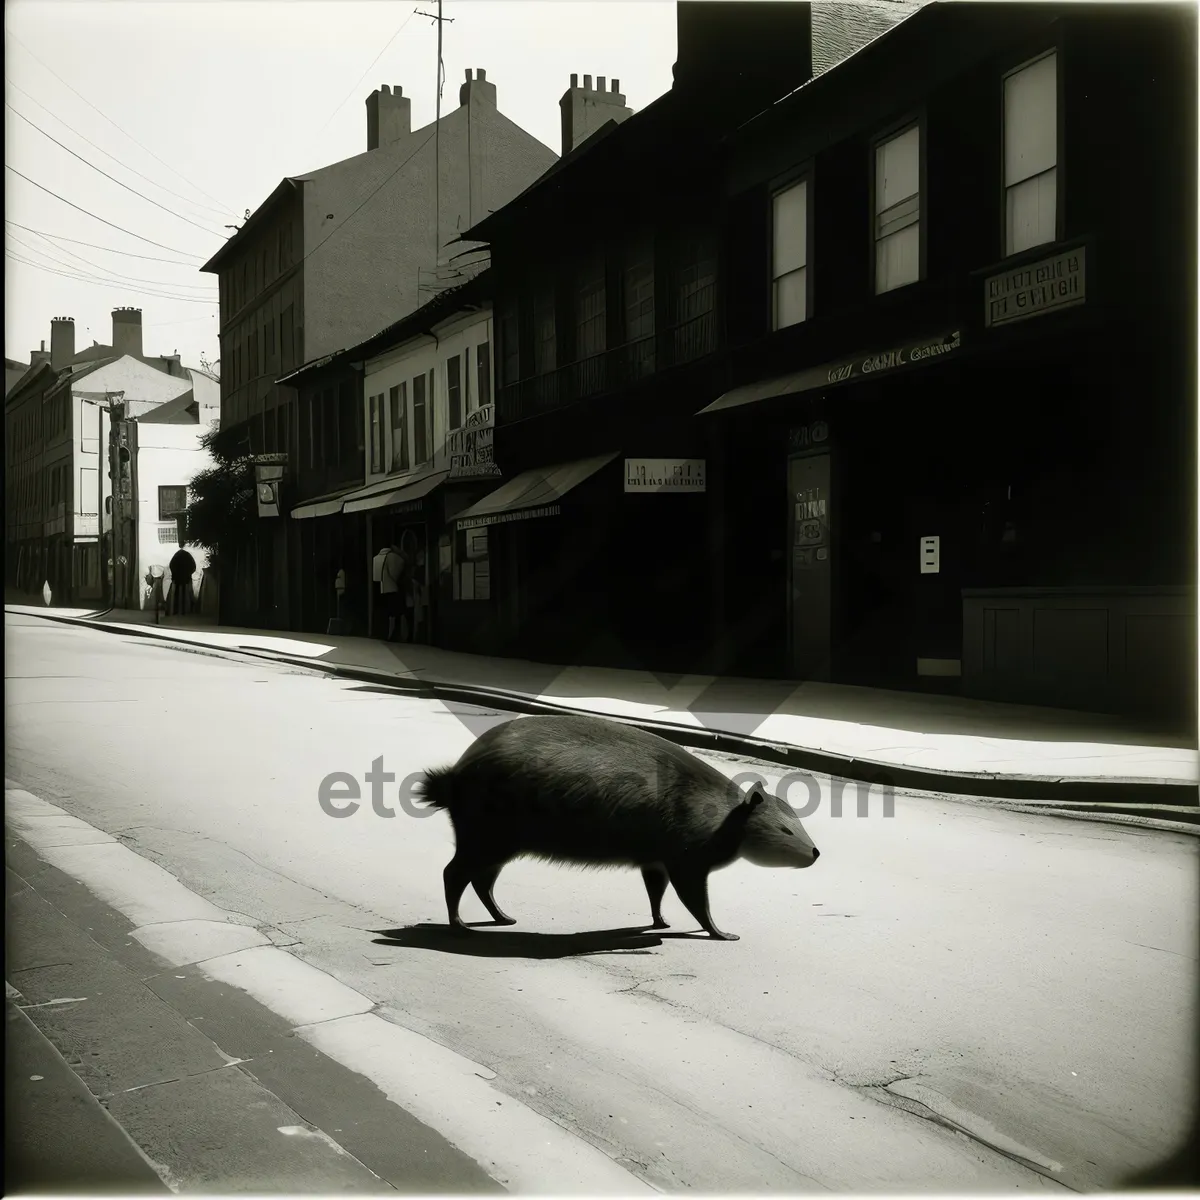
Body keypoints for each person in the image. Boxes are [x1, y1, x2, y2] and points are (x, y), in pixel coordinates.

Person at [380, 538, 410, 642]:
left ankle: (391, 634)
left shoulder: (389, 557)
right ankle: (396, 634)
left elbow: (392, 573)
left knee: (391, 613)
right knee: (395, 612)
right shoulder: (398, 557)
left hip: (388, 588)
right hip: (394, 588)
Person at [168, 546, 196, 616]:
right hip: (185, 578)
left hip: (177, 578)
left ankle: (176, 610)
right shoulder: (187, 555)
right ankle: (185, 611)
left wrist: (174, 574)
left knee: (177, 594)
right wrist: (188, 574)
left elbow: (171, 565)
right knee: (186, 594)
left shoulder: (177, 555)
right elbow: (193, 567)